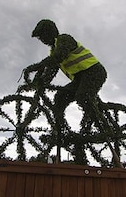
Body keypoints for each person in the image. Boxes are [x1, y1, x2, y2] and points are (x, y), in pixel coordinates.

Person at [24, 19, 107, 163]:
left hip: (93, 71)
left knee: (83, 97)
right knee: (60, 97)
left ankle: (103, 127)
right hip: (80, 78)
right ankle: (64, 134)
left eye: (42, 36)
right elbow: (50, 72)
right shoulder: (53, 50)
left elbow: (57, 57)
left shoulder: (64, 39)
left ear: (49, 32)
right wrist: (37, 83)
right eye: (40, 38)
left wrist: (36, 66)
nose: (42, 40)